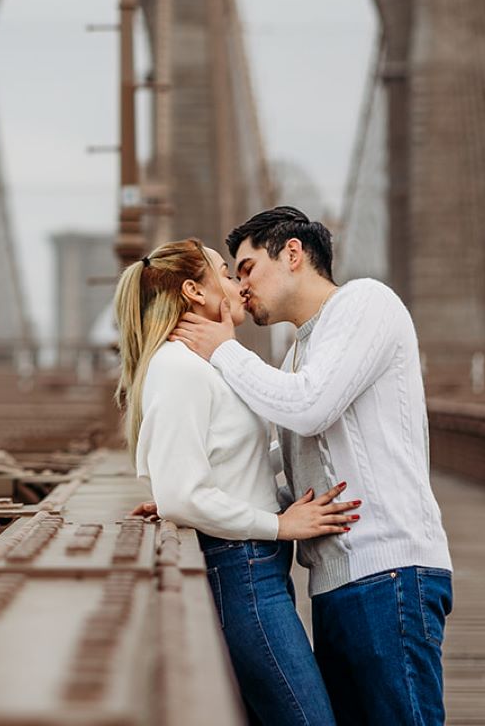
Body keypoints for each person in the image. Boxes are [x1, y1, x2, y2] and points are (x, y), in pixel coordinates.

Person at [172, 207, 454, 726]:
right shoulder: (298, 353)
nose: (240, 286)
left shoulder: (366, 303)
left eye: (248, 267)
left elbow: (308, 407)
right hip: (335, 586)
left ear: (293, 254)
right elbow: (281, 458)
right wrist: (190, 492)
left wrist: (224, 352)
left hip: (390, 573)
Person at [116, 236, 358, 726]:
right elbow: (184, 496)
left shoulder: (203, 367)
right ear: (196, 292)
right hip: (242, 569)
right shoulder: (178, 368)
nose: (239, 285)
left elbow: (229, 459)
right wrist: (280, 527)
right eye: (226, 274)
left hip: (255, 569)